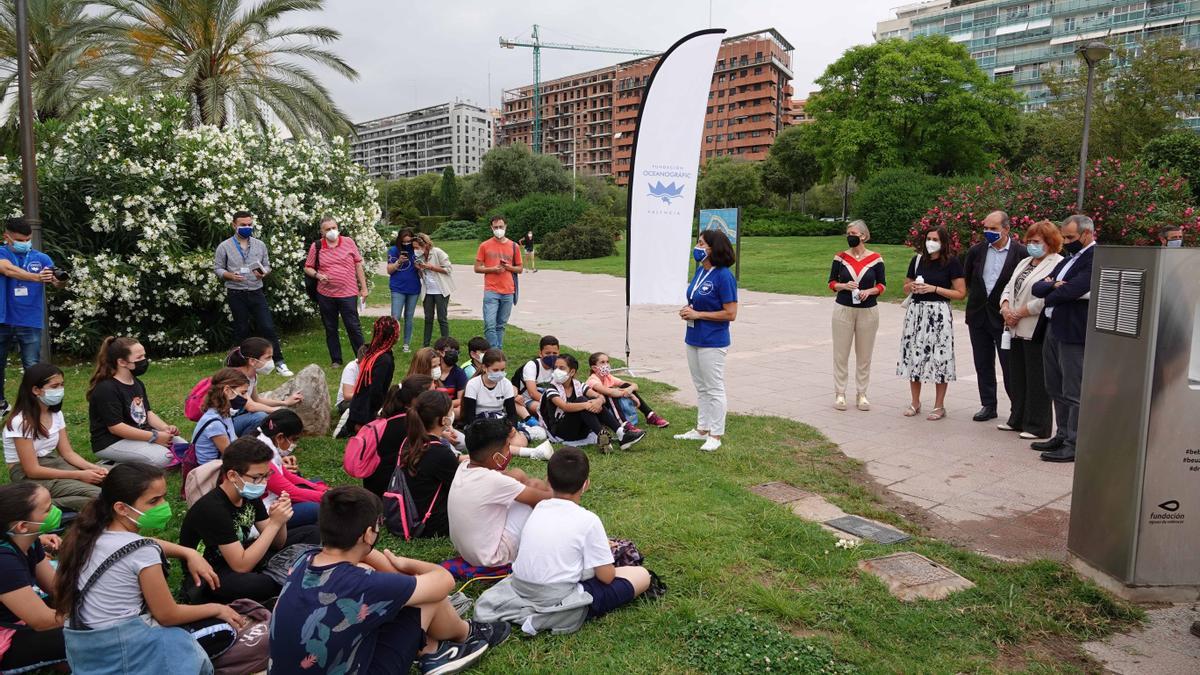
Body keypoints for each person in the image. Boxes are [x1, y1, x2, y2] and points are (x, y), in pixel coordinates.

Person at [269, 486, 510, 675]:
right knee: (428, 597)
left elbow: (363, 557)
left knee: (381, 580)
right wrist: (405, 563)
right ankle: (465, 635)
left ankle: (432, 646)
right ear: (367, 533)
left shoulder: (305, 559)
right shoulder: (363, 583)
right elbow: (443, 581)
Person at [53, 463, 241, 674]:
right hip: (124, 648)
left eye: (163, 497)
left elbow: (144, 542)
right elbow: (168, 615)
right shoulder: (142, 552)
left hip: (86, 650)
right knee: (224, 629)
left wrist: (189, 552)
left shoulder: (87, 535)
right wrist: (218, 608)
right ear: (121, 508)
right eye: (154, 501)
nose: (164, 505)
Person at [475, 448, 651, 635]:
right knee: (641, 575)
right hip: (557, 595)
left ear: (548, 482)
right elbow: (606, 577)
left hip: (519, 586)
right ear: (586, 484)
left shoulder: (539, 507)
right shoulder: (589, 520)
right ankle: (556, 614)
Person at [179, 436, 319, 603]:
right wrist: (274, 524)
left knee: (312, 533)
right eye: (258, 477)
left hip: (242, 552)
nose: (264, 482)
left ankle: (283, 574)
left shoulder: (247, 493)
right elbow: (241, 565)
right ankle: (286, 576)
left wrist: (279, 521)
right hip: (212, 572)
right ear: (232, 475)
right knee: (260, 585)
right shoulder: (212, 508)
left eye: (267, 475)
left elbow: (277, 543)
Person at [1031, 215, 1097, 463]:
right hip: (1052, 327)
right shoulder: (1070, 259)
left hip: (1073, 332)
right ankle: (1061, 433)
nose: (1066, 242)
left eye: (1070, 237)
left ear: (1087, 234)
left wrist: (1056, 288)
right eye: (1065, 237)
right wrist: (1055, 286)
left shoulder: (1094, 258)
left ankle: (1074, 442)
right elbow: (1037, 287)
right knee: (1054, 386)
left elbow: (1073, 289)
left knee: (1072, 390)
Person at [447, 418, 552, 568]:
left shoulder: (464, 466)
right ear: (496, 456)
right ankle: (552, 542)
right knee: (536, 485)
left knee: (517, 474)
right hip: (493, 557)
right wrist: (552, 484)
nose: (509, 451)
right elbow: (545, 498)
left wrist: (518, 477)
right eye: (507, 447)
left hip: (467, 551)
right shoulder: (493, 481)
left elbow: (513, 476)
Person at [5, 363, 106, 511]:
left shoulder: (56, 414)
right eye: (54, 386)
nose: (60, 390)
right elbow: (32, 470)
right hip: (26, 475)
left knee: (109, 480)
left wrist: (93, 468)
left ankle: (44, 502)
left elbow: (67, 453)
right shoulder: (20, 421)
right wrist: (78, 475)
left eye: (61, 385)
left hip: (52, 463)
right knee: (99, 495)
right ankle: (35, 506)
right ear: (36, 390)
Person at [674, 229, 738, 453]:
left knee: (714, 387)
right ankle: (701, 429)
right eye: (698, 243)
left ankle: (716, 434)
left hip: (713, 340)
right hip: (693, 337)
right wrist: (689, 310)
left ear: (713, 248)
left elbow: (730, 313)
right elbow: (697, 300)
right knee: (700, 386)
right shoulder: (701, 271)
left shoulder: (724, 276)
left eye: (702, 244)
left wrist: (698, 315)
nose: (698, 247)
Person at [999, 221, 1064, 441]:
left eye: (1036, 242)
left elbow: (1046, 297)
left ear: (1049, 242)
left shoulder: (1057, 264)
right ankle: (1016, 418)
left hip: (1035, 325)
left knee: (1037, 377)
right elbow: (1009, 286)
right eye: (1029, 241)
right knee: (1017, 374)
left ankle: (1037, 425)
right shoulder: (1025, 261)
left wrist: (1021, 312)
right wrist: (1006, 306)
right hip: (1014, 325)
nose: (1031, 245)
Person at [963, 211, 1028, 423]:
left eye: (993, 229)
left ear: (1006, 229)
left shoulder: (1021, 253)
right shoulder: (976, 251)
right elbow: (968, 279)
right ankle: (988, 404)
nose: (988, 233)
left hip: (1004, 318)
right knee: (983, 362)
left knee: (1009, 365)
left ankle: (1017, 408)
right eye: (986, 228)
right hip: (978, 315)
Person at [897, 226, 967, 421]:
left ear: (943, 242)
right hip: (917, 312)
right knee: (914, 356)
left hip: (939, 313)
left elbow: (960, 293)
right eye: (928, 238)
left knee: (940, 357)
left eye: (935, 239)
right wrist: (912, 286)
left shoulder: (952, 262)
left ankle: (939, 405)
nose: (931, 242)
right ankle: (915, 401)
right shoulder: (918, 260)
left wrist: (934, 288)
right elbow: (905, 286)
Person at [213, 210, 294, 378]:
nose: (247, 227)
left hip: (256, 291)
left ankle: (279, 362)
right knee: (241, 329)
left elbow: (267, 265)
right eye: (243, 225)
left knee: (267, 327)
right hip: (236, 292)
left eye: (249, 224)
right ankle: (237, 366)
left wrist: (264, 273)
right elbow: (218, 268)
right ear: (234, 225)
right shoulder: (224, 246)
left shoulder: (259, 245)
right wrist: (230, 275)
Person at [0, 217, 67, 417]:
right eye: (20, 239)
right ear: (7, 237)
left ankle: (35, 404)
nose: (25, 242)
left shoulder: (42, 258)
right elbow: (7, 269)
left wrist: (59, 281)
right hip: (2, 319)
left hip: (29, 320)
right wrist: (36, 278)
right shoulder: (2, 253)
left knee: (32, 366)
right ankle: (1, 403)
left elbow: (57, 283)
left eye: (28, 238)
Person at [0, 482, 67, 673]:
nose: (55, 510)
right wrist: (95, 614)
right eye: (47, 509)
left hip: (18, 619)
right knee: (84, 633)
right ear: (22, 526)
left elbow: (55, 587)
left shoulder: (29, 540)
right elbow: (43, 620)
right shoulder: (4, 562)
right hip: (5, 634)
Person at [87, 336, 184, 467]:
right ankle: (109, 465)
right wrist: (155, 436)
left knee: (183, 447)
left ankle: (127, 459)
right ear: (122, 362)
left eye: (144, 356)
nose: (144, 361)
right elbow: (116, 428)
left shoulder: (137, 383)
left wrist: (165, 428)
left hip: (138, 435)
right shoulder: (106, 388)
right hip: (112, 442)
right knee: (164, 458)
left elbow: (147, 412)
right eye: (139, 358)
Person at [828, 220, 886, 412]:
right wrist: (843, 286)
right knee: (840, 353)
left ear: (863, 235)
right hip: (843, 309)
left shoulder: (876, 259)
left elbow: (882, 285)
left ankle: (862, 394)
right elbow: (831, 283)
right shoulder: (840, 258)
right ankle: (840, 393)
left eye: (852, 232)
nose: (849, 236)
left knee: (864, 354)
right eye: (847, 233)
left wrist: (870, 291)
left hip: (868, 310)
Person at [461, 349, 553, 462]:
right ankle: (532, 452)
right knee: (486, 442)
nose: (499, 373)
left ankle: (525, 433)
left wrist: (511, 428)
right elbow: (469, 417)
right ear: (484, 368)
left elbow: (512, 413)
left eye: (502, 370)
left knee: (532, 437)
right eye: (495, 370)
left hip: (499, 421)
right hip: (480, 424)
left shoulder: (506, 384)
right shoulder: (473, 384)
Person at [396, 390, 462, 538]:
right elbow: (460, 489)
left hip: (409, 512)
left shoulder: (409, 441)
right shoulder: (440, 452)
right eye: (451, 411)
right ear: (443, 420)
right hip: (431, 524)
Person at [305, 216, 368, 367]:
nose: (332, 231)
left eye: (334, 227)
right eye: (328, 229)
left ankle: (363, 359)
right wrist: (318, 275)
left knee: (353, 326)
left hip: (348, 293)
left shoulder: (348, 242)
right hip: (326, 294)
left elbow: (358, 265)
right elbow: (308, 267)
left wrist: (364, 288)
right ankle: (336, 360)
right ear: (322, 232)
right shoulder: (317, 246)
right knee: (330, 327)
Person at [364, 375, 435, 496]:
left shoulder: (394, 417)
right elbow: (432, 456)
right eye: (432, 394)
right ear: (416, 400)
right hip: (392, 490)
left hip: (373, 485)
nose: (437, 397)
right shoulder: (411, 425)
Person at [257, 409, 326, 528]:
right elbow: (291, 492)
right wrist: (330, 497)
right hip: (265, 513)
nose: (294, 444)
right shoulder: (261, 457)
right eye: (293, 439)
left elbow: (287, 475)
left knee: (314, 484)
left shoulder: (265, 444)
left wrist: (319, 489)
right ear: (280, 437)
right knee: (318, 508)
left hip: (275, 499)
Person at [224, 337, 303, 437]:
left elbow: (257, 400)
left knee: (266, 415)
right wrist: (279, 411)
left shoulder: (252, 376)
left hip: (237, 417)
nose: (271, 361)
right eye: (268, 358)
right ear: (252, 361)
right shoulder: (236, 377)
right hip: (225, 423)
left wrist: (285, 403)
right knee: (261, 417)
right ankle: (243, 446)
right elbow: (251, 406)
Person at [346, 316, 400, 437]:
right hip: (367, 411)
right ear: (393, 335)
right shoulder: (383, 359)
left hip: (359, 407)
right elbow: (376, 389)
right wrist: (381, 410)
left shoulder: (373, 352)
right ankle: (356, 427)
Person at [585, 352, 669, 429]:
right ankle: (624, 424)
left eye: (607, 362)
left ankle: (650, 415)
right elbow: (610, 392)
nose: (606, 365)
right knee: (609, 393)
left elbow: (634, 385)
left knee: (626, 386)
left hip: (607, 409)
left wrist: (629, 389)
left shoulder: (608, 377)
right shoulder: (592, 380)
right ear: (594, 368)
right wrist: (630, 394)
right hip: (596, 412)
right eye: (602, 362)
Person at [475, 216, 523, 349]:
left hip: (508, 290)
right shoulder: (485, 245)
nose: (498, 230)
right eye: (495, 227)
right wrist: (493, 269)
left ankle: (497, 353)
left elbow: (520, 269)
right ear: (491, 228)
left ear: (505, 227)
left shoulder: (514, 246)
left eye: (501, 227)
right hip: (491, 290)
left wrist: (507, 267)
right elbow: (477, 268)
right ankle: (495, 352)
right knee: (490, 324)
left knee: (500, 325)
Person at [190, 367, 249, 465]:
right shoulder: (214, 423)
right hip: (212, 473)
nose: (245, 398)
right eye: (243, 393)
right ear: (227, 390)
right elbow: (231, 455)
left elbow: (235, 440)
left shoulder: (223, 413)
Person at [415, 232, 455, 347]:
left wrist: (431, 267)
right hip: (428, 291)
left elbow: (448, 269)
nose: (416, 250)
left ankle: (446, 345)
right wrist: (419, 269)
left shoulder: (437, 252)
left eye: (417, 247)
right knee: (428, 318)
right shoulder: (420, 257)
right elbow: (422, 275)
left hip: (441, 290)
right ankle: (426, 345)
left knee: (442, 318)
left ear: (425, 245)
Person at [387, 228, 422, 354]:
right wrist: (398, 262)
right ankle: (390, 343)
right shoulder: (394, 250)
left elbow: (422, 271)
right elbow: (389, 270)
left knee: (409, 317)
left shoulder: (417, 251)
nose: (406, 244)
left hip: (413, 288)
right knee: (395, 317)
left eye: (409, 242)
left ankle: (406, 344)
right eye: (404, 242)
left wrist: (420, 267)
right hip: (398, 288)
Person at [519, 335, 559, 415]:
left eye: (554, 353)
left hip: (553, 397)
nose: (551, 356)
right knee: (548, 410)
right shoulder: (532, 366)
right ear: (540, 353)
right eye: (547, 353)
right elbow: (533, 394)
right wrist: (555, 403)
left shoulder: (558, 365)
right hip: (530, 400)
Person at [433, 337, 469, 409]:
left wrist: (443, 406)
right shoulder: (431, 371)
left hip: (451, 409)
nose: (454, 355)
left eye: (457, 352)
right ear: (439, 352)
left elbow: (461, 400)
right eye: (450, 352)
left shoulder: (459, 373)